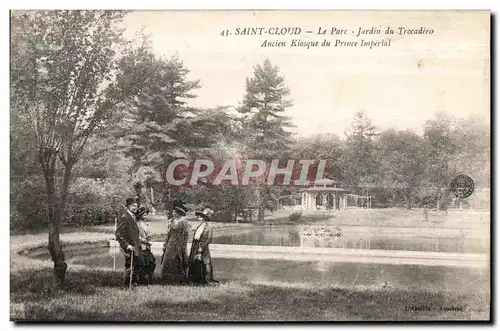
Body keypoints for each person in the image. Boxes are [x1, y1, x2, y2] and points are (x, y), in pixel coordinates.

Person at [160, 200, 190, 284]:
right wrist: (165, 244)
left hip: (179, 245)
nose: (173, 213)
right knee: (168, 260)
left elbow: (185, 236)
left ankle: (178, 279)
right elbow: (168, 234)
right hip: (170, 244)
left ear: (179, 213)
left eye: (174, 212)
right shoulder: (173, 221)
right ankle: (167, 279)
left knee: (178, 261)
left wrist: (183, 247)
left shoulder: (185, 223)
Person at [188, 208, 219, 285]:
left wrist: (202, 247)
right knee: (194, 261)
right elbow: (196, 237)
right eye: (199, 216)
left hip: (202, 246)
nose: (199, 218)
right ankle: (194, 279)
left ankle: (207, 279)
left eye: (201, 216)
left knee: (205, 262)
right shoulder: (199, 226)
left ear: (205, 218)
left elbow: (209, 239)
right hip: (195, 245)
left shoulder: (209, 227)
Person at [115, 198, 142, 287]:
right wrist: (127, 245)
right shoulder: (125, 217)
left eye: (136, 206)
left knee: (134, 266)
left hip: (135, 246)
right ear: (128, 206)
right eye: (134, 206)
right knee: (129, 267)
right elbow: (119, 234)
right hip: (129, 247)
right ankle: (126, 286)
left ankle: (133, 284)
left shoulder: (132, 216)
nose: (135, 208)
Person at [135, 206, 156, 285]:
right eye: (144, 215)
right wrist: (145, 241)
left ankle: (148, 279)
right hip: (141, 246)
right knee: (141, 264)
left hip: (147, 247)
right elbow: (136, 236)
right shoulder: (136, 224)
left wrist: (150, 237)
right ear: (140, 216)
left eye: (146, 214)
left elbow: (150, 234)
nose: (146, 216)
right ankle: (140, 280)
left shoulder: (147, 224)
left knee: (151, 262)